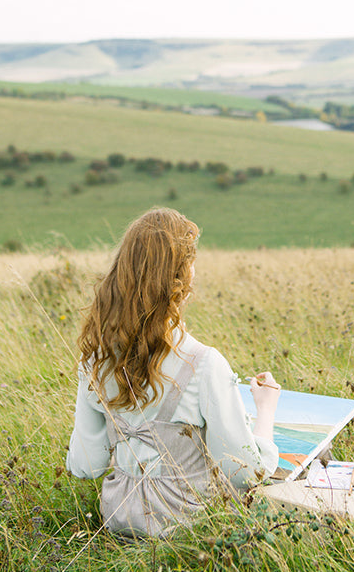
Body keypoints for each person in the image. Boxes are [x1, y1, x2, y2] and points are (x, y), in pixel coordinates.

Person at [66, 206, 281, 537]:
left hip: (117, 519)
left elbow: (85, 464)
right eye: (191, 262)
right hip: (187, 530)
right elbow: (246, 473)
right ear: (182, 277)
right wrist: (265, 410)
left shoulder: (95, 360)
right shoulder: (204, 363)